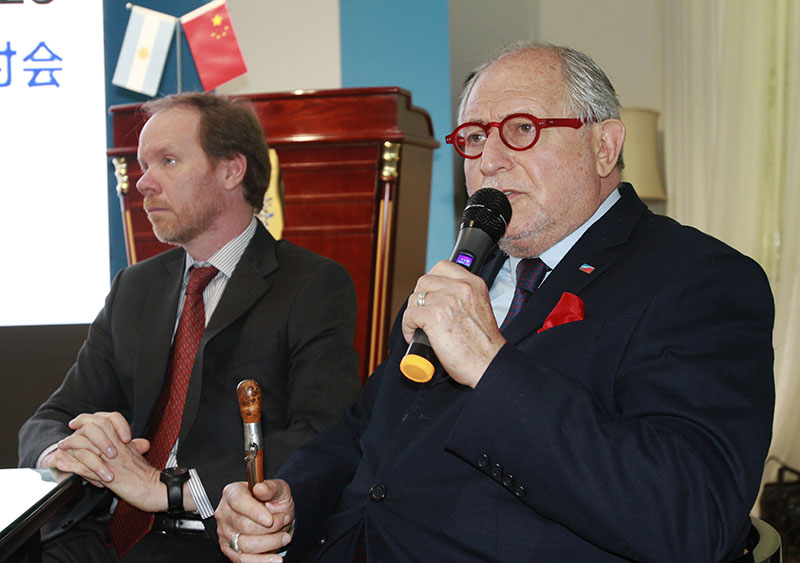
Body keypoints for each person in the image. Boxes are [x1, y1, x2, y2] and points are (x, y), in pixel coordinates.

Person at [214, 42, 775, 562]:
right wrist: (290, 500)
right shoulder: (464, 271)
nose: (490, 161)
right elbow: (366, 428)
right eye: (476, 137)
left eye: (523, 128)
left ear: (605, 145)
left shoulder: (699, 280)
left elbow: (692, 516)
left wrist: (490, 365)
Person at [17, 92, 361, 562]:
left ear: (230, 170)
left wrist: (170, 488)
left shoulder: (311, 285)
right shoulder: (134, 287)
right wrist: (69, 450)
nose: (143, 183)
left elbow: (322, 433)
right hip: (99, 535)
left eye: (168, 161)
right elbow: (47, 421)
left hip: (220, 539)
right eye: (142, 165)